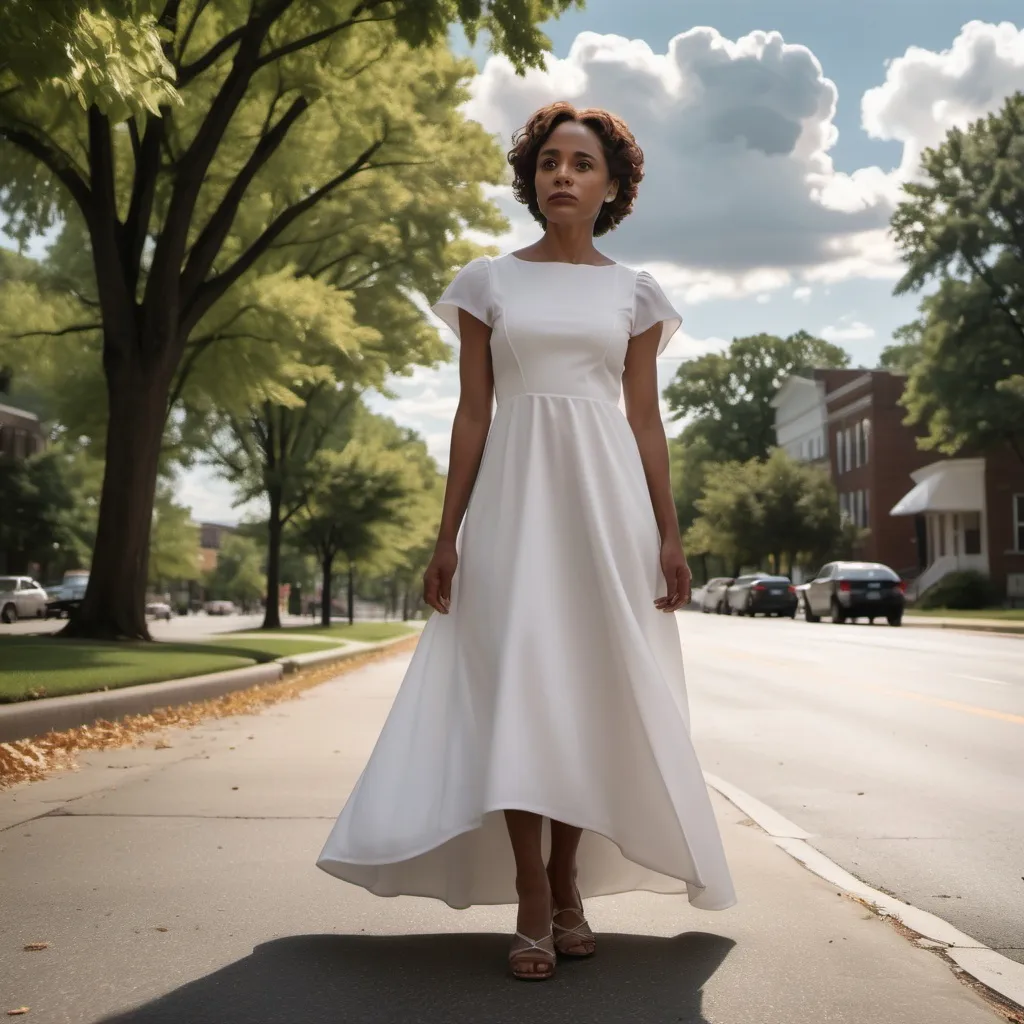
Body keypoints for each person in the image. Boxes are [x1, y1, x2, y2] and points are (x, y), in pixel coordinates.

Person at [317, 101, 736, 981]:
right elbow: (473, 414)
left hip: (605, 504)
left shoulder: (636, 293)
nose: (563, 176)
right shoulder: (487, 283)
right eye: (550, 161)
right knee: (518, 687)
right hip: (514, 501)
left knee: (582, 690)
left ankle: (567, 878)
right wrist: (448, 537)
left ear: (612, 185)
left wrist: (669, 532)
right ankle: (533, 898)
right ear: (531, 177)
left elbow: (645, 420)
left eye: (582, 164)